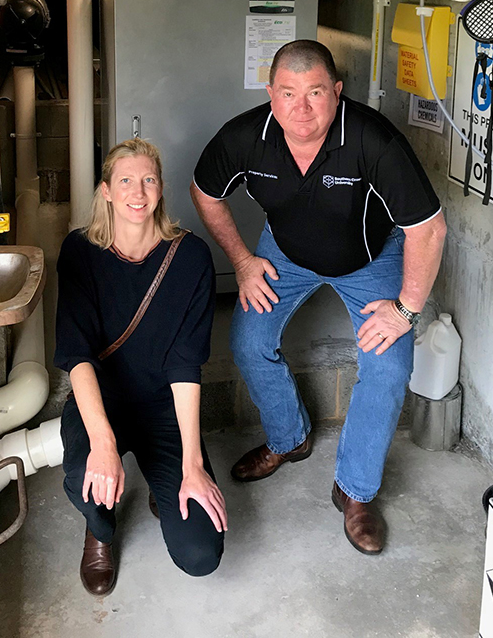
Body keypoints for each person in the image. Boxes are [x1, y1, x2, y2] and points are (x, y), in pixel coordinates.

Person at [191, 40, 446, 556]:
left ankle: (355, 491)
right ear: (270, 94)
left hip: (370, 258)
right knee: (248, 339)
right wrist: (242, 261)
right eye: (287, 93)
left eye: (314, 93)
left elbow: (429, 228)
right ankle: (289, 439)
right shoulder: (246, 137)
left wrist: (406, 309)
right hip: (283, 252)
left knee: (390, 365)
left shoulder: (374, 140)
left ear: (336, 92)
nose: (301, 109)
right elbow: (204, 192)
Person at [56, 138, 226, 597]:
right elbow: (77, 354)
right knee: (84, 475)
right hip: (103, 402)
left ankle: (164, 479)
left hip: (163, 407)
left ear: (161, 189)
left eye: (148, 179)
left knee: (200, 554)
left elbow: (187, 365)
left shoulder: (190, 257)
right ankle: (101, 530)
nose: (138, 191)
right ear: (107, 191)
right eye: (126, 180)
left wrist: (193, 465)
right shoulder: (79, 252)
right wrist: (103, 443)